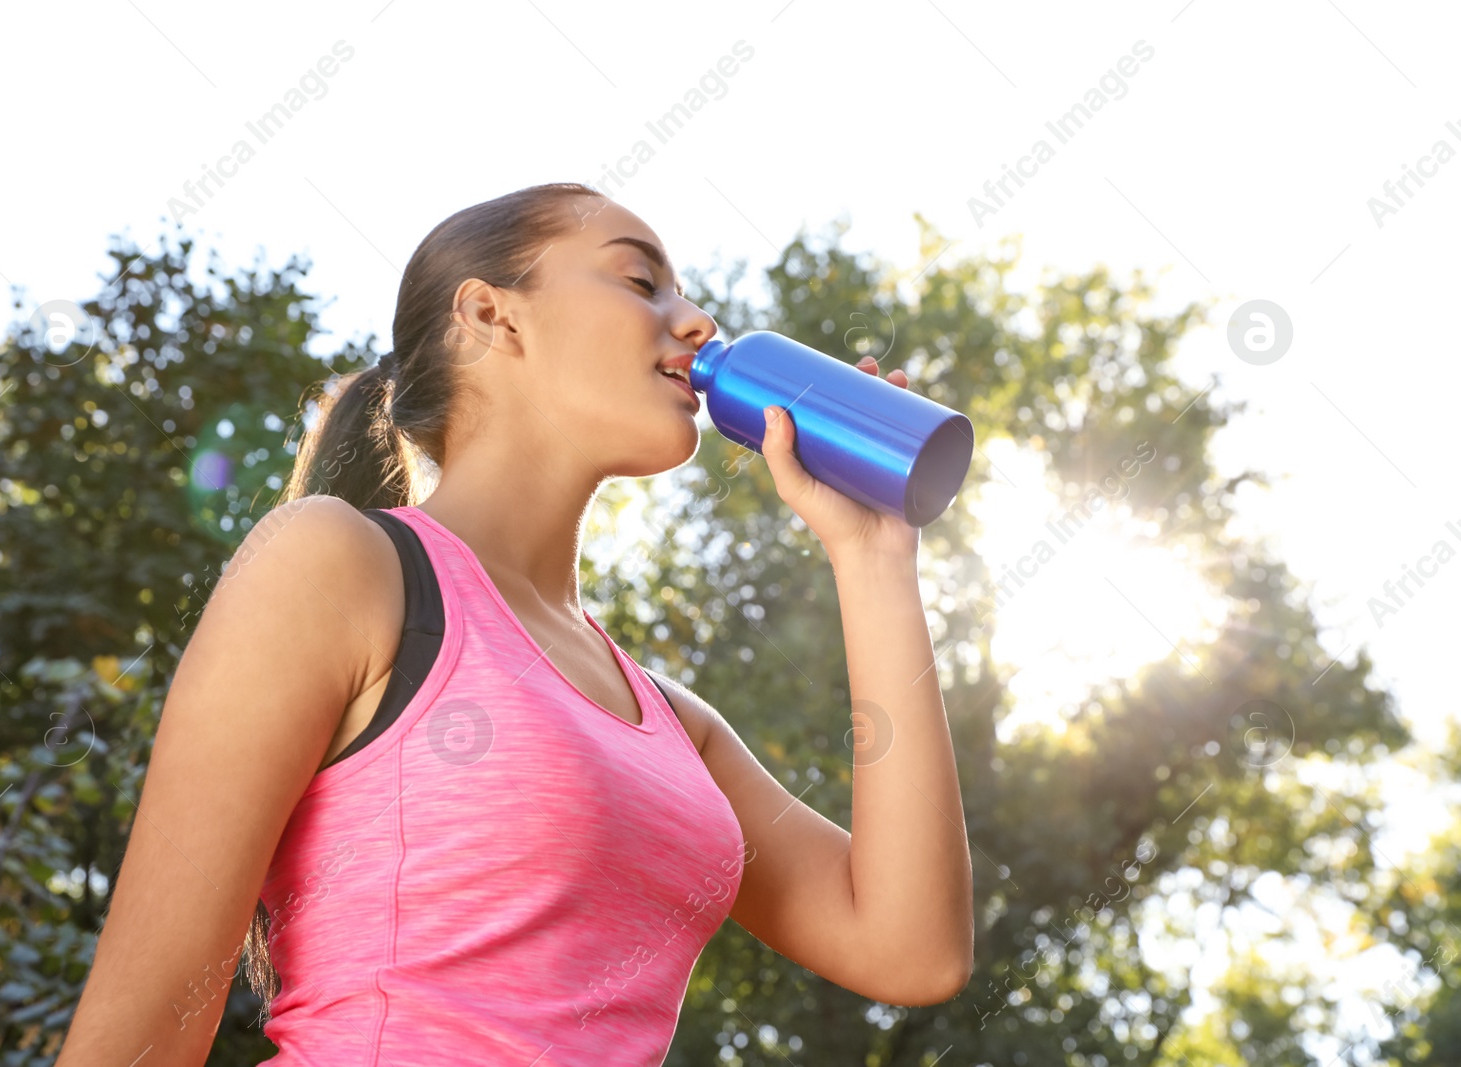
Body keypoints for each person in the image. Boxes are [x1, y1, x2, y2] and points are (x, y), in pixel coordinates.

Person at [55, 182, 973, 1066]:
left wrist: (875, 561)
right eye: (640, 280)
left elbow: (910, 949)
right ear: (494, 315)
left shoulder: (672, 721)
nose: (696, 322)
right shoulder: (338, 564)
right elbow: (140, 1029)